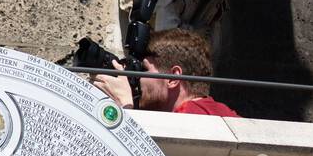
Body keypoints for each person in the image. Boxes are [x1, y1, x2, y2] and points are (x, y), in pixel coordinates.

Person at [94, 28, 240, 117]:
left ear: (173, 78)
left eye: (144, 69)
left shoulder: (194, 116)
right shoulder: (217, 113)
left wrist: (125, 107)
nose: (137, 78)